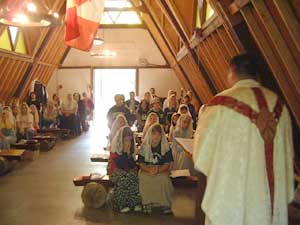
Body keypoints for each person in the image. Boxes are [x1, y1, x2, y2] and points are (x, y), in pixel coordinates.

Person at [193, 53, 294, 225]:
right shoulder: (280, 106)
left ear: (232, 72)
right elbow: (287, 155)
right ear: (257, 75)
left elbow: (202, 155)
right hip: (267, 197)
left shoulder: (218, 105)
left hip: (232, 193)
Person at [137, 123, 174, 214]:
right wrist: (149, 170)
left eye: (158, 134)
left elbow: (167, 163)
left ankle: (165, 204)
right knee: (143, 178)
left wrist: (158, 170)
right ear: (150, 134)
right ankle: (147, 203)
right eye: (154, 134)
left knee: (164, 179)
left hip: (161, 169)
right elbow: (141, 163)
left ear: (162, 135)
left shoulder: (165, 147)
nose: (156, 137)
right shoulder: (144, 146)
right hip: (146, 169)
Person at [109, 126, 142, 213]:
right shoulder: (116, 150)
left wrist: (128, 155)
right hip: (116, 171)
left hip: (127, 171)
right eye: (126, 140)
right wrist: (125, 154)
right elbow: (120, 165)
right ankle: (122, 203)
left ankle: (134, 203)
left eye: (130, 140)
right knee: (124, 178)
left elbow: (132, 165)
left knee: (133, 177)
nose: (129, 143)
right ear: (121, 140)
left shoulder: (130, 150)